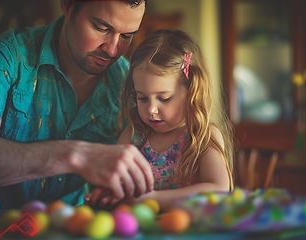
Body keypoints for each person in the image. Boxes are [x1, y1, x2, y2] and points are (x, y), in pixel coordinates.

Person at [0, 0, 154, 209]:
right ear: (68, 5)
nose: (111, 50)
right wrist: (75, 155)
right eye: (101, 28)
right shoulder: (1, 57)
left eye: (126, 36)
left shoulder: (132, 87)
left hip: (73, 227)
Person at [84, 28, 235, 211]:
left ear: (192, 92)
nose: (151, 109)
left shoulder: (203, 136)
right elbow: (117, 181)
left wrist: (153, 198)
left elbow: (219, 190)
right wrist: (108, 193)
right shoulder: (132, 136)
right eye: (142, 98)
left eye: (164, 98)